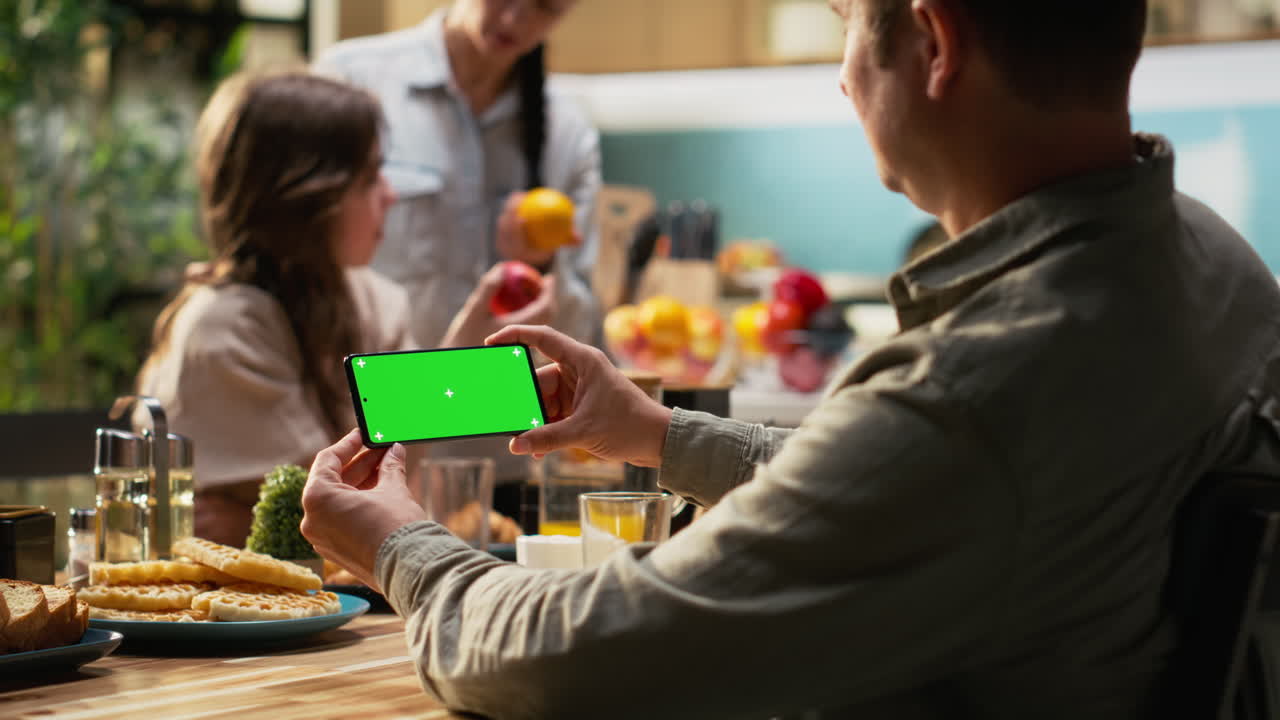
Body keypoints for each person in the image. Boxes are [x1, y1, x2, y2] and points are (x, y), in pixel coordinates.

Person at [300, 0, 1280, 717]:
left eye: (848, 22)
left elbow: (588, 660)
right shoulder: (1213, 265)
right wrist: (651, 432)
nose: (842, 72)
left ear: (932, 43)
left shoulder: (972, 400)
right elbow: (907, 499)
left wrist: (402, 547)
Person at [137, 70, 550, 547]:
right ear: (312, 197)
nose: (390, 194)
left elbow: (390, 477)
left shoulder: (370, 298)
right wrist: (462, 370)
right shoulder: (223, 328)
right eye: (371, 176)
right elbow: (343, 506)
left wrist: (478, 344)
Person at [314, 0, 600, 518]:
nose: (517, 20)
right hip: (370, 449)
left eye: (546, 8)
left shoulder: (566, 132)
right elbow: (308, 271)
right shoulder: (352, 80)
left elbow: (583, 324)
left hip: (503, 455)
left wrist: (543, 272)